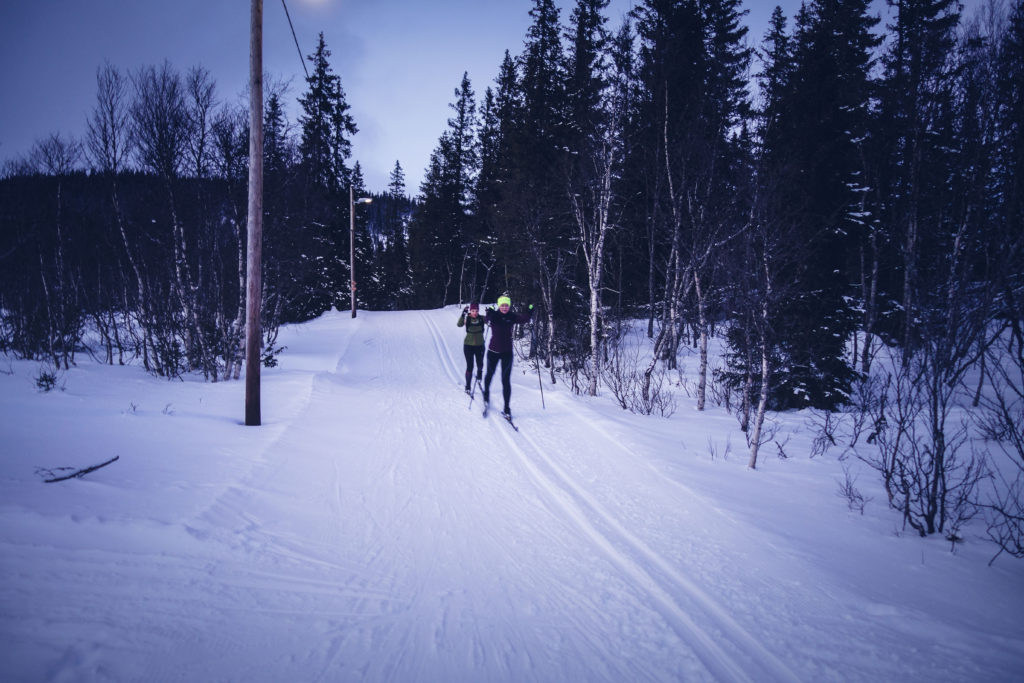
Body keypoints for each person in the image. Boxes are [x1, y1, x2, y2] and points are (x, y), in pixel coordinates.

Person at [483, 293, 533, 418]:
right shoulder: (494, 316)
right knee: (489, 374)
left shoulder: (512, 316)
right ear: (499, 306)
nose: (504, 307)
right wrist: (488, 313)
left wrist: (530, 311)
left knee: (506, 381)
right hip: (493, 351)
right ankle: (486, 395)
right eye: (502, 305)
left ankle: (507, 408)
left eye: (506, 305)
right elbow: (486, 320)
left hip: (507, 352)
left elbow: (524, 319)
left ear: (509, 306)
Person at [457, 301, 485, 391]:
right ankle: (468, 386)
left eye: (476, 311)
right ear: (470, 310)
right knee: (470, 366)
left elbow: (491, 321)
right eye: (473, 311)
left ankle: (479, 375)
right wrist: (463, 314)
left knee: (480, 363)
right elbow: (459, 324)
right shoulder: (467, 318)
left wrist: (490, 314)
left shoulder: (481, 318)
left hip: (480, 345)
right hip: (468, 345)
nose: (475, 313)